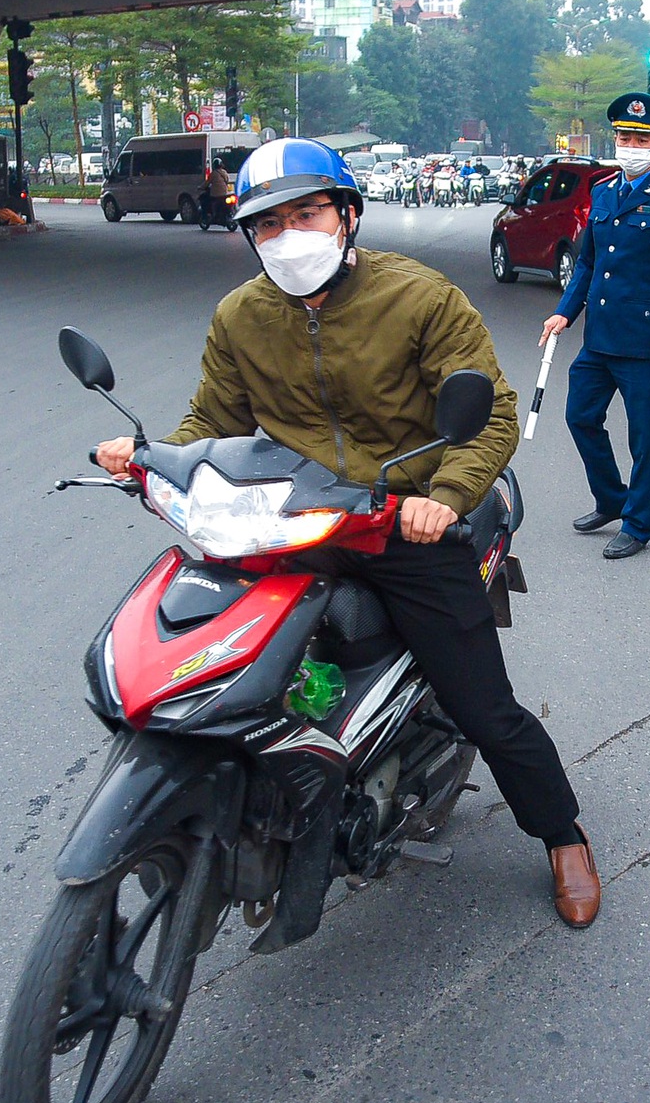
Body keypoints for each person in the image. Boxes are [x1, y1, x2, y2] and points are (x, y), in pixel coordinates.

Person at [93, 138, 602, 928]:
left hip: (402, 521)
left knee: (482, 703)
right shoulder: (242, 316)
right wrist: (156, 459)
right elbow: (213, 425)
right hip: (288, 521)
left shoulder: (420, 297)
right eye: (268, 224)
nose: (289, 235)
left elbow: (493, 410)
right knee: (215, 665)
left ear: (347, 215)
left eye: (307, 213)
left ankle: (561, 832)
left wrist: (446, 495)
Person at [537, 92, 650, 560]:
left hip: (645, 344)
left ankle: (639, 523)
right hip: (600, 338)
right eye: (624, 136)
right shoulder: (605, 191)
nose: (630, 144)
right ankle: (611, 499)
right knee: (579, 416)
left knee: (643, 436)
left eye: (640, 138)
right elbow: (588, 263)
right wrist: (564, 312)